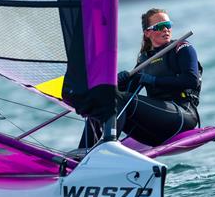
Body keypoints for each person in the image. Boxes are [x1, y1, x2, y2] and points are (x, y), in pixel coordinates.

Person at [78, 8, 201, 148]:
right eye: (160, 27)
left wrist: (154, 81)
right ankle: (83, 152)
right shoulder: (144, 58)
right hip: (154, 128)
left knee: (118, 99)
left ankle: (107, 147)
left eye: (168, 25)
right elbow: (127, 93)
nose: (166, 30)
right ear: (147, 33)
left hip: (183, 116)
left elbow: (192, 80)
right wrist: (121, 83)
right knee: (102, 99)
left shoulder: (182, 48)